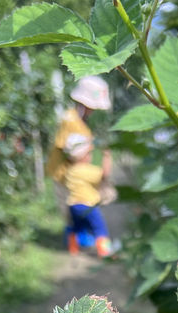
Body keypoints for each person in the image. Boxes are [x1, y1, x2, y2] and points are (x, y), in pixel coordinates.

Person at [45, 76, 113, 252]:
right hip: (64, 175)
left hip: (72, 175)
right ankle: (89, 244)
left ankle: (78, 241)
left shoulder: (80, 122)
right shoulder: (71, 121)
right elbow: (67, 148)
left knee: (76, 212)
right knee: (74, 213)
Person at [62, 134, 113, 257]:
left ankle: (73, 248)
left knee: (76, 227)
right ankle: (105, 252)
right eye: (88, 153)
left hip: (73, 205)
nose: (90, 156)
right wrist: (107, 157)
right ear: (83, 156)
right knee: (99, 228)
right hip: (88, 205)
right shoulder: (85, 170)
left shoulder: (70, 171)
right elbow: (104, 175)